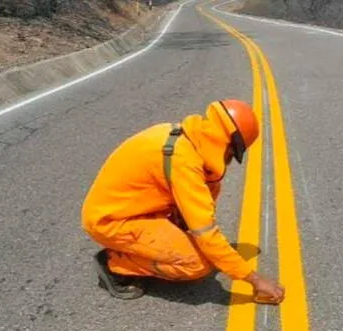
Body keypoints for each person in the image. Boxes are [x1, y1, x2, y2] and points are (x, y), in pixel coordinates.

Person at [81, 99, 285, 304]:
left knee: (209, 196)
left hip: (133, 209)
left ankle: (143, 252)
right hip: (110, 221)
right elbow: (206, 232)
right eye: (231, 155)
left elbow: (206, 199)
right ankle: (113, 263)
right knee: (196, 264)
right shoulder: (184, 163)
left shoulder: (185, 137)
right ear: (227, 145)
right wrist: (254, 280)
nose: (229, 161)